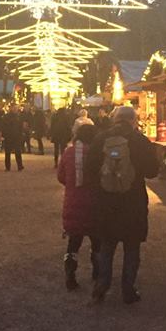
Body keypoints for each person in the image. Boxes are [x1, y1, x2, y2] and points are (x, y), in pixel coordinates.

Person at [84, 105, 159, 305]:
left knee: (107, 246)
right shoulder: (140, 141)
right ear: (133, 120)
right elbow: (153, 171)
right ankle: (128, 289)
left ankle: (102, 286)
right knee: (132, 247)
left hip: (106, 202)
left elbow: (89, 170)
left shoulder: (100, 139)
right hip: (132, 202)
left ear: (114, 119)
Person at [57, 123, 100, 291]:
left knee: (73, 242)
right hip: (95, 203)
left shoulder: (68, 153)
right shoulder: (96, 153)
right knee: (97, 241)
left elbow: (61, 176)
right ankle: (97, 272)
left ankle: (70, 274)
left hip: (73, 202)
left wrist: (72, 184)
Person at [1, 105, 24, 171]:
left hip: (13, 136)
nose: (15, 109)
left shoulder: (17, 116)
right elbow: (4, 126)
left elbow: (20, 127)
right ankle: (17, 166)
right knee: (11, 152)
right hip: (11, 136)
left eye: (16, 108)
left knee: (14, 152)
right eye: (14, 108)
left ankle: (16, 166)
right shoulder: (12, 116)